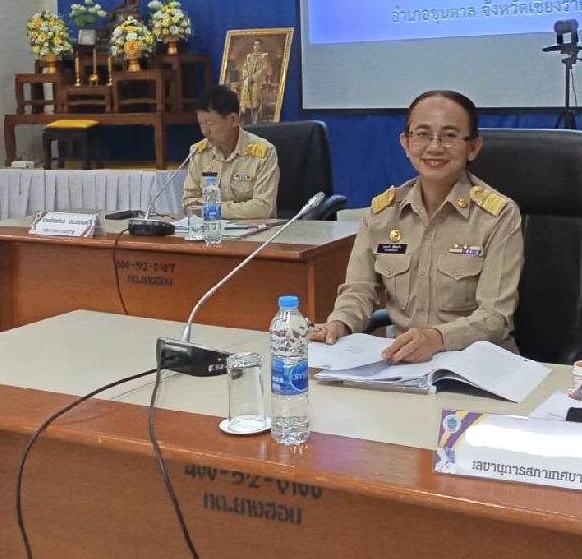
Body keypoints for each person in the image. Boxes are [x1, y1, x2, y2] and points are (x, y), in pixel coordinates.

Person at [310, 90, 523, 363]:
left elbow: (496, 317)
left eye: (449, 136)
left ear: (473, 148)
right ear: (406, 143)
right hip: (406, 366)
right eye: (422, 134)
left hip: (478, 364)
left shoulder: (498, 216)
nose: (434, 147)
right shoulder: (383, 213)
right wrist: (339, 324)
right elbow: (359, 290)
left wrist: (438, 338)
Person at [181, 84, 279, 220]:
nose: (204, 132)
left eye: (210, 124)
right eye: (201, 124)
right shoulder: (198, 152)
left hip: (254, 229)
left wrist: (213, 209)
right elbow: (189, 202)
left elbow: (263, 208)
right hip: (211, 228)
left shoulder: (264, 153)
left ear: (233, 120)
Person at [236, 39, 271, 122]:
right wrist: (247, 75)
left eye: (258, 45)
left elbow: (263, 68)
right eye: (255, 45)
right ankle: (244, 109)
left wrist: (254, 76)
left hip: (257, 80)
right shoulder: (249, 57)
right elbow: (244, 67)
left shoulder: (263, 57)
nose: (256, 46)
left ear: (260, 46)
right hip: (248, 78)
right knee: (245, 86)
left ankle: (254, 112)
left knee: (255, 91)